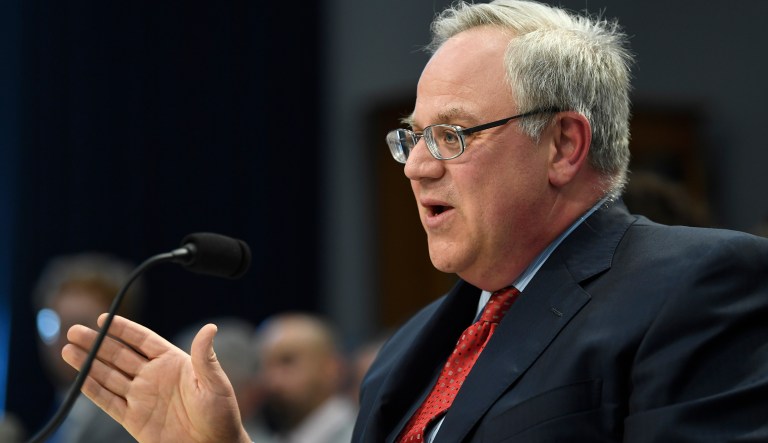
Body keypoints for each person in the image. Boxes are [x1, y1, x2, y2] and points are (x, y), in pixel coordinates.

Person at [61, 0, 768, 442]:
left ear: (563, 145)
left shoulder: (696, 288)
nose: (416, 166)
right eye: (412, 136)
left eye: (453, 135)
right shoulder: (406, 354)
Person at [33, 252, 141, 443]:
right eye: (52, 324)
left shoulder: (137, 421)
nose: (63, 339)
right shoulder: (56, 414)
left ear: (120, 332)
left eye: (80, 325)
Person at [255, 313, 356, 443]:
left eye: (287, 361)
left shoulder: (361, 436)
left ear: (331, 367)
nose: (272, 379)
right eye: (265, 365)